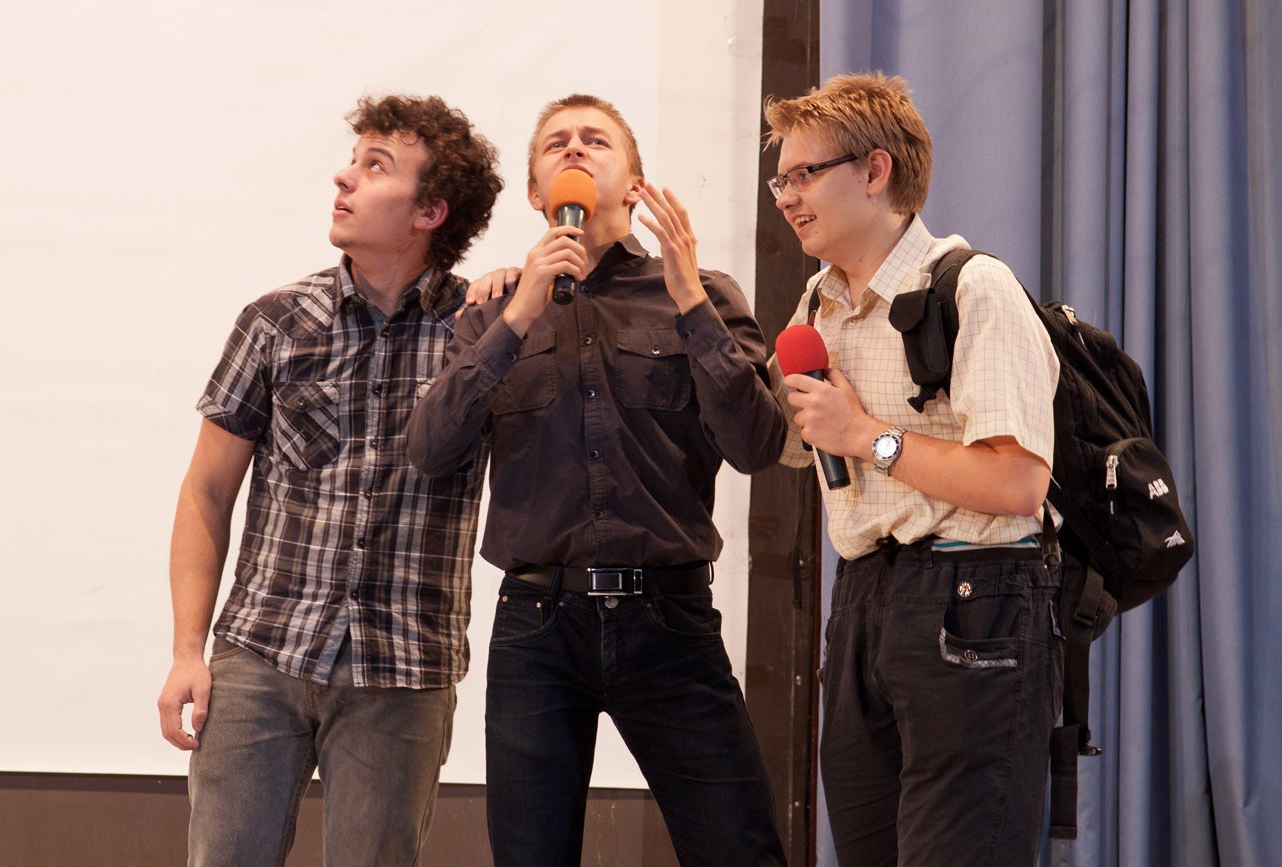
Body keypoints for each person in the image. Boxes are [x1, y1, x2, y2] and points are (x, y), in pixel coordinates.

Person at [407, 94, 789, 867]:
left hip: (670, 619)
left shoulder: (704, 292)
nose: (575, 149)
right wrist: (518, 316)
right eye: (556, 143)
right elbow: (430, 449)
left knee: (739, 849)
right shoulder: (492, 313)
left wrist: (690, 302)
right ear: (535, 193)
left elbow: (758, 445)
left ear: (636, 183)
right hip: (538, 625)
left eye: (595, 140)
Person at [156, 94, 503, 866]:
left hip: (404, 667)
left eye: (375, 166)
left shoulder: (480, 332)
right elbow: (206, 492)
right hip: (261, 653)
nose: (343, 178)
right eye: (353, 160)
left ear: (430, 211)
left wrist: (519, 298)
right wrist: (187, 650)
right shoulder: (276, 321)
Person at [764, 73, 1063, 866]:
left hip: (974, 598)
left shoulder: (974, 287)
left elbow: (1018, 484)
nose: (787, 197)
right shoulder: (817, 304)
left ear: (875, 170)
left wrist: (867, 436)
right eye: (779, 181)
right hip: (862, 598)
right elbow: (785, 443)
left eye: (804, 174)